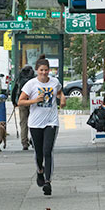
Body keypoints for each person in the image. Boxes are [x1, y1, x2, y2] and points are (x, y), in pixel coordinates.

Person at [17, 55, 66, 196]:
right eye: (41, 70)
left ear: (49, 70)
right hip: (35, 123)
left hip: (51, 122)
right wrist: (34, 100)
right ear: (37, 70)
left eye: (46, 70)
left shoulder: (55, 82)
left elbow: (59, 92)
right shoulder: (31, 84)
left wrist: (62, 98)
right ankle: (40, 171)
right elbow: (20, 101)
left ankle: (48, 182)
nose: (44, 73)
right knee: (39, 152)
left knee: (47, 151)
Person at [11, 64, 35, 150]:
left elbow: (14, 91)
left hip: (22, 102)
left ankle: (24, 143)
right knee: (34, 122)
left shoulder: (19, 79)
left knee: (23, 123)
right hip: (32, 102)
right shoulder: (34, 79)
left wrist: (14, 102)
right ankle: (34, 140)